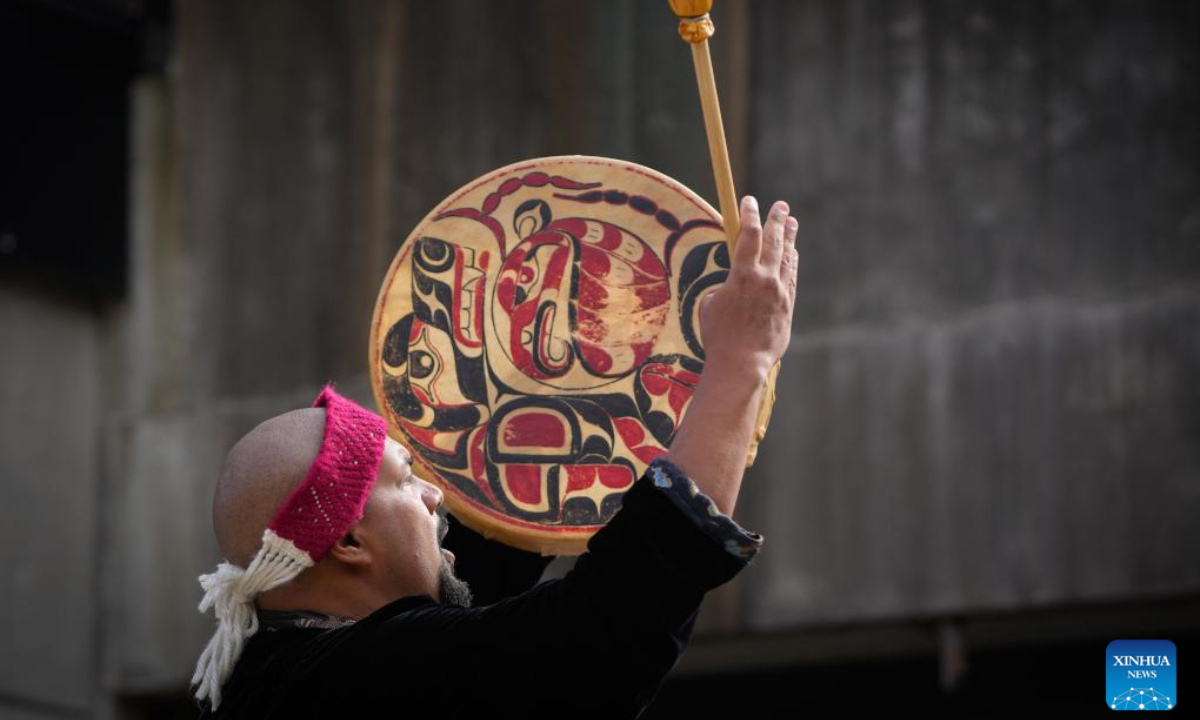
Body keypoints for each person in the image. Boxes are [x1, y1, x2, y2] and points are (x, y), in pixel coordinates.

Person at [192, 196, 799, 718]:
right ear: (350, 543)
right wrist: (739, 360)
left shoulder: (282, 667)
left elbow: (485, 567)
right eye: (406, 482)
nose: (437, 497)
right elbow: (602, 632)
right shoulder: (367, 678)